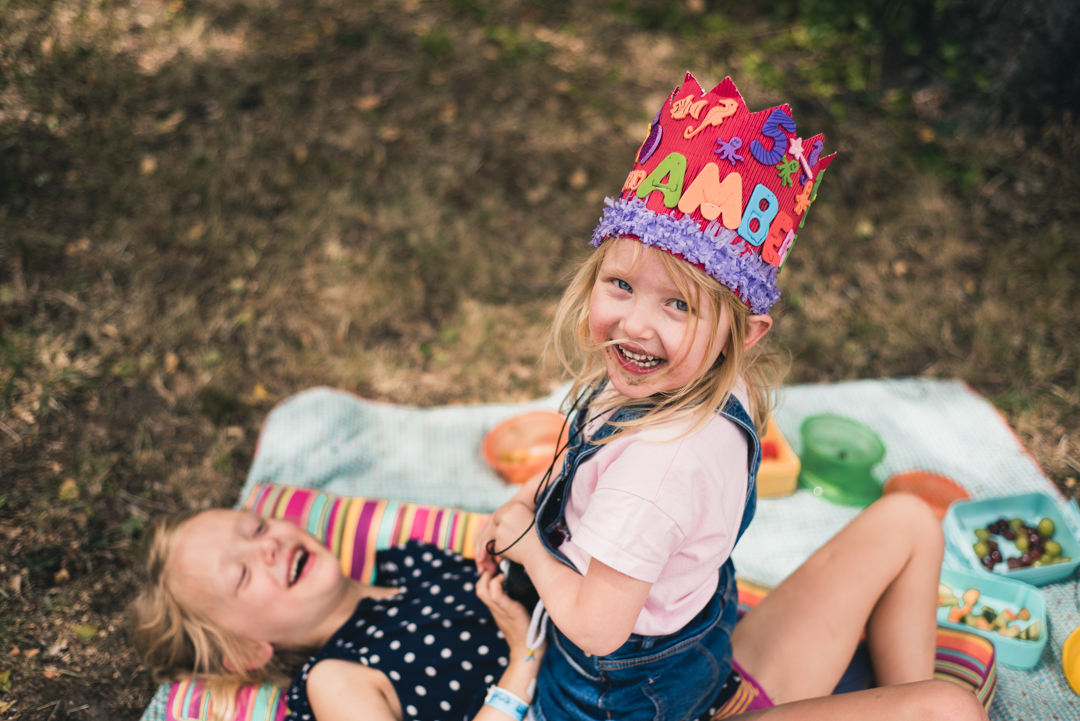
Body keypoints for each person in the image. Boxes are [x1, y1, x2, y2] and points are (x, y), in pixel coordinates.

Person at [473, 74, 989, 721]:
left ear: (742, 336)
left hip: (666, 692)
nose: (637, 324)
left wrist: (528, 547)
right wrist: (529, 505)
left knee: (939, 667)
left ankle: (899, 698)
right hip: (684, 685)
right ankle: (902, 701)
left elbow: (597, 628)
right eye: (622, 284)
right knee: (937, 638)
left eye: (679, 304)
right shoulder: (676, 373)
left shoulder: (655, 467)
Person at [129, 510, 545, 721]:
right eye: (242, 574)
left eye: (256, 528)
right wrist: (523, 660)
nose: (267, 547)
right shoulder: (336, 679)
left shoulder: (418, 562)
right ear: (245, 652)